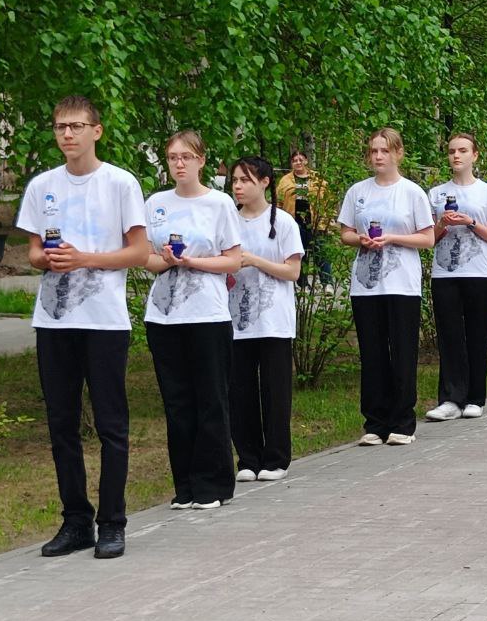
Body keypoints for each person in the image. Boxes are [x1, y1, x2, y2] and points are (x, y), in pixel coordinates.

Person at [17, 96, 148, 559]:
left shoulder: (120, 183)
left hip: (104, 321)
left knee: (111, 424)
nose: (67, 134)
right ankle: (76, 521)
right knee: (61, 423)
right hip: (54, 319)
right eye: (60, 127)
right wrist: (47, 259)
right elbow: (34, 251)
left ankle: (112, 522)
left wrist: (85, 258)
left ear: (97, 131)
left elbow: (139, 252)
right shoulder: (42, 185)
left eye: (76, 126)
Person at [144, 131, 244, 511]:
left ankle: (212, 484)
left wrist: (193, 261)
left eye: (186, 157)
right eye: (173, 157)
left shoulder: (219, 203)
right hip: (164, 316)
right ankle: (184, 485)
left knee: (211, 399)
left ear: (202, 161)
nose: (179, 164)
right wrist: (166, 260)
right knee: (177, 401)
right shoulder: (156, 203)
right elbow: (146, 259)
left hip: (207, 313)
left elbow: (233, 260)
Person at [337, 128, 435, 447]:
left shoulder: (411, 192)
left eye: (385, 151)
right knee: (372, 354)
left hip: (401, 283)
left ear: (398, 153)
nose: (378, 156)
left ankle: (403, 422)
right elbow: (345, 233)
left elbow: (427, 238)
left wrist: (393, 238)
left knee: (402, 352)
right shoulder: (358, 191)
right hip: (366, 285)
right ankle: (375, 423)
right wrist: (360, 239)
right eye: (374, 151)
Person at [228, 155, 304, 483]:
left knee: (275, 390)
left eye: (245, 180)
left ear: (264, 182)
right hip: (235, 319)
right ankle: (247, 457)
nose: (238, 186)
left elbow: (292, 271)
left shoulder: (283, 222)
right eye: (235, 180)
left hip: (274, 320)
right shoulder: (228, 221)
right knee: (239, 390)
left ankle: (276, 458)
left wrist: (255, 261)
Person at [426, 133, 487, 421]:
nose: (456, 156)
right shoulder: (436, 194)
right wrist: (442, 224)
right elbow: (428, 239)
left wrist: (471, 222)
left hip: (479, 273)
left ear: (475, 155)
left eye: (462, 150)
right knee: (449, 335)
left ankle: (475, 397)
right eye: (452, 151)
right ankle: (450, 398)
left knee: (477, 334)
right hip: (445, 273)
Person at [276, 149, 333, 287]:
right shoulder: (285, 180)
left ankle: (327, 283)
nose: (298, 163)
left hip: (316, 220)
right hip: (295, 221)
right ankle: (302, 284)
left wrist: (329, 219)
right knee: (299, 253)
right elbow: (278, 202)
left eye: (301, 160)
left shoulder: (318, 179)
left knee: (321, 252)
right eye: (295, 160)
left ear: (306, 161)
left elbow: (328, 200)